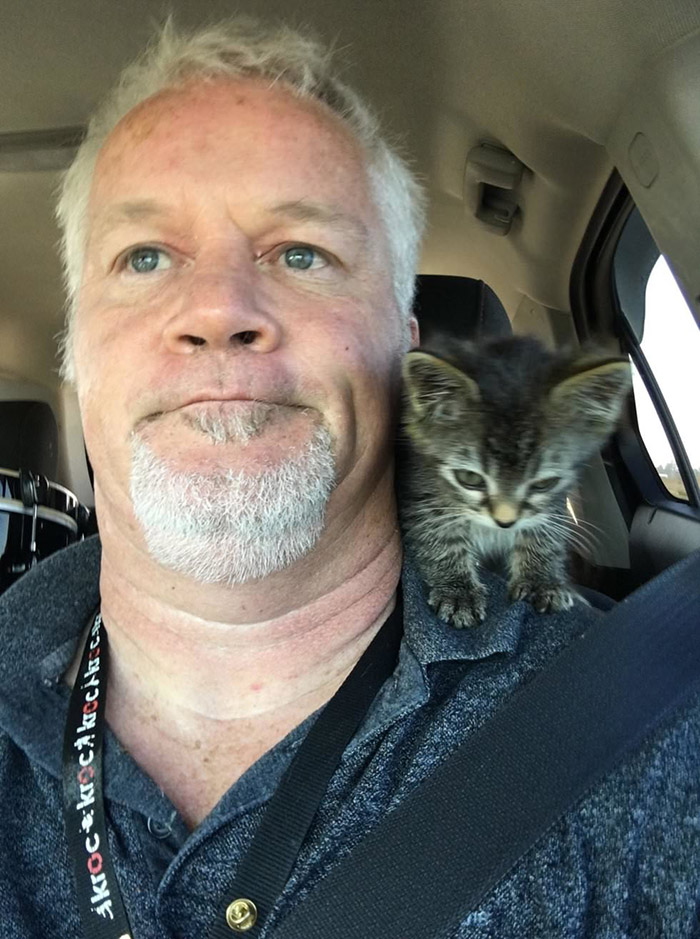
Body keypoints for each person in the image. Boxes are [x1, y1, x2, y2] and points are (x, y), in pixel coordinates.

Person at [0, 16, 699, 939]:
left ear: (404, 352)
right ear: (78, 353)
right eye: (146, 256)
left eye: (302, 253)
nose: (219, 310)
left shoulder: (645, 735)